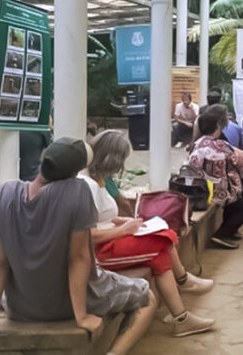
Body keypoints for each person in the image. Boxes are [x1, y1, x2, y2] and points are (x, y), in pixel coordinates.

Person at [0, 137, 157, 355]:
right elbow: (78, 258)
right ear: (76, 171)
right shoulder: (76, 192)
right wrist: (81, 316)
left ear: (44, 159)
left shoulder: (3, 194)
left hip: (21, 305)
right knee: (148, 298)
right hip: (68, 304)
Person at [80, 130, 215, 336]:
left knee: (163, 240)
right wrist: (123, 230)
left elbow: (99, 218)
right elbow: (85, 235)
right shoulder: (87, 185)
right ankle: (183, 289)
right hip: (98, 252)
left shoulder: (98, 180)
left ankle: (181, 315)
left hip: (109, 240)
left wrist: (121, 222)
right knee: (162, 243)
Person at [189, 111, 243, 249]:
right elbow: (239, 163)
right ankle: (222, 234)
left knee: (234, 202)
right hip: (219, 190)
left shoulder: (197, 144)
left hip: (201, 189)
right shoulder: (221, 146)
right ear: (218, 126)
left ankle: (230, 231)